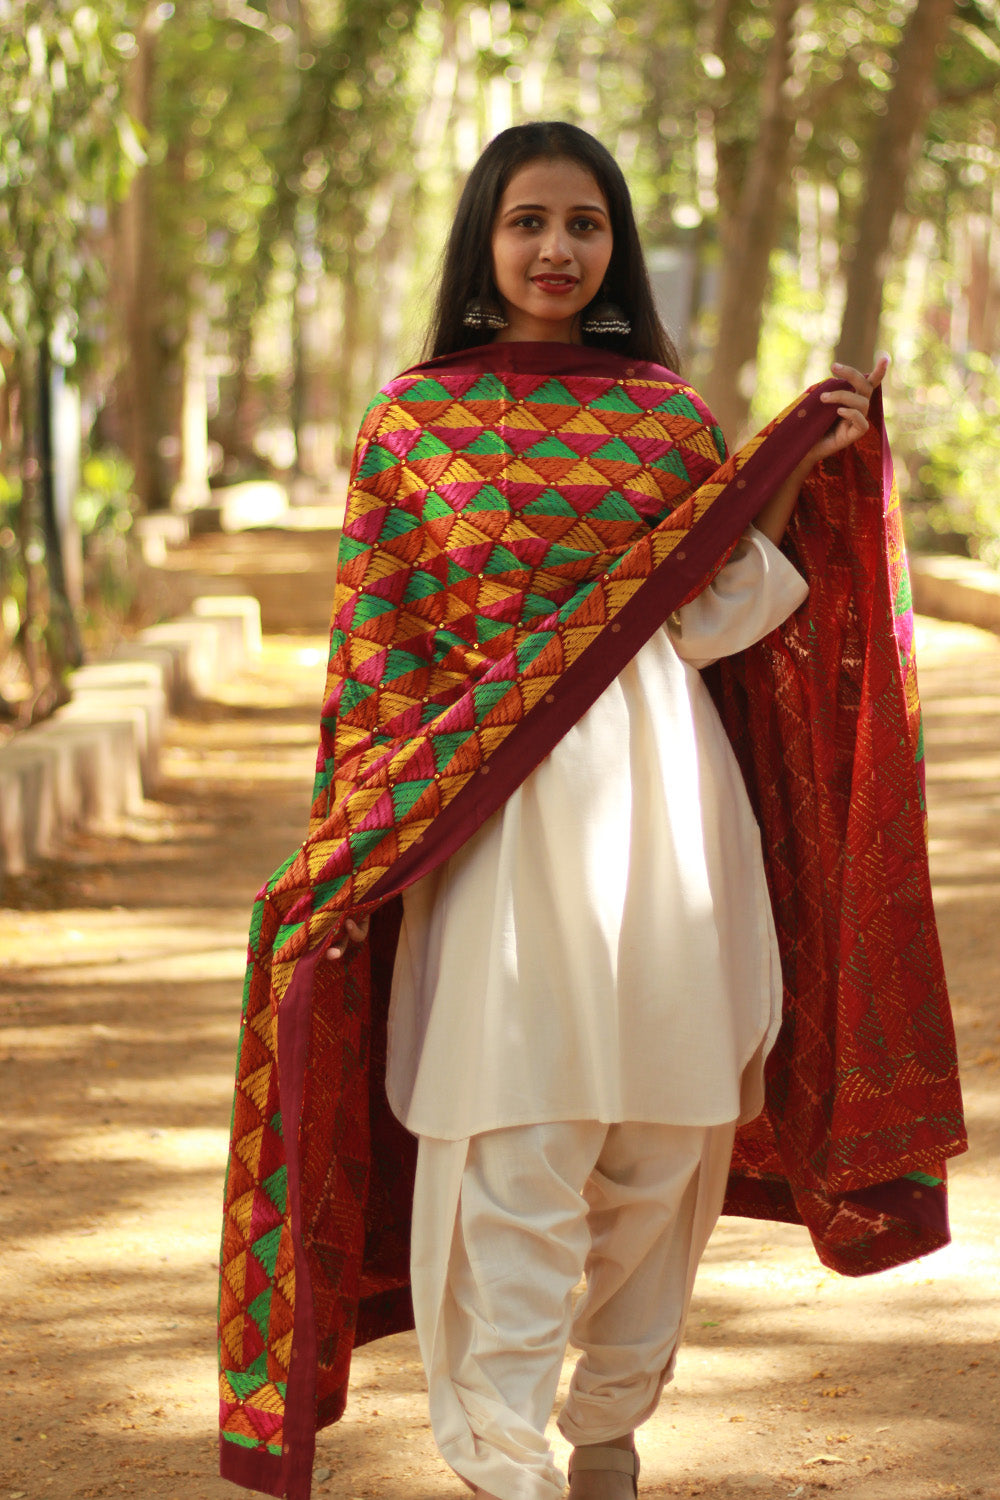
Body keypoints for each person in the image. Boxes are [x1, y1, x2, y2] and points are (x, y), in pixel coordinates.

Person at [218, 123, 965, 1500]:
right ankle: (502, 1465)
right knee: (509, 1139)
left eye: (584, 223)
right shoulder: (413, 420)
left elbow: (711, 614)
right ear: (483, 243)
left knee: (665, 1137)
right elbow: (375, 649)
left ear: (614, 243)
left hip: (675, 820)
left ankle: (609, 1432)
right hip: (493, 831)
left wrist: (804, 471)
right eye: (527, 223)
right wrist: (368, 836)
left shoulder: (665, 416)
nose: (556, 249)